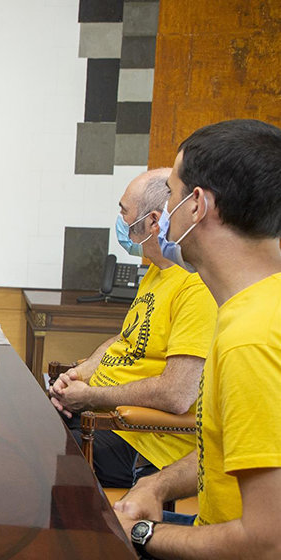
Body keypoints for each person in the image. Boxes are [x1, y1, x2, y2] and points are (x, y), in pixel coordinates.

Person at [113, 119, 281, 559]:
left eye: (169, 193)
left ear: (198, 205)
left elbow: (268, 542)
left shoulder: (253, 337)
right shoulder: (251, 308)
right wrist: (156, 483)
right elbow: (232, 456)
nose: (160, 214)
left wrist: (143, 534)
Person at [49, 169, 217, 488]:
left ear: (153, 222)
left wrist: (90, 397)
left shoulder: (196, 289)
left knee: (33, 453)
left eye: (123, 211)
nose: (120, 220)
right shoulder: (156, 272)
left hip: (138, 440)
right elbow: (126, 339)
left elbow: (177, 394)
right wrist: (83, 372)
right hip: (100, 415)